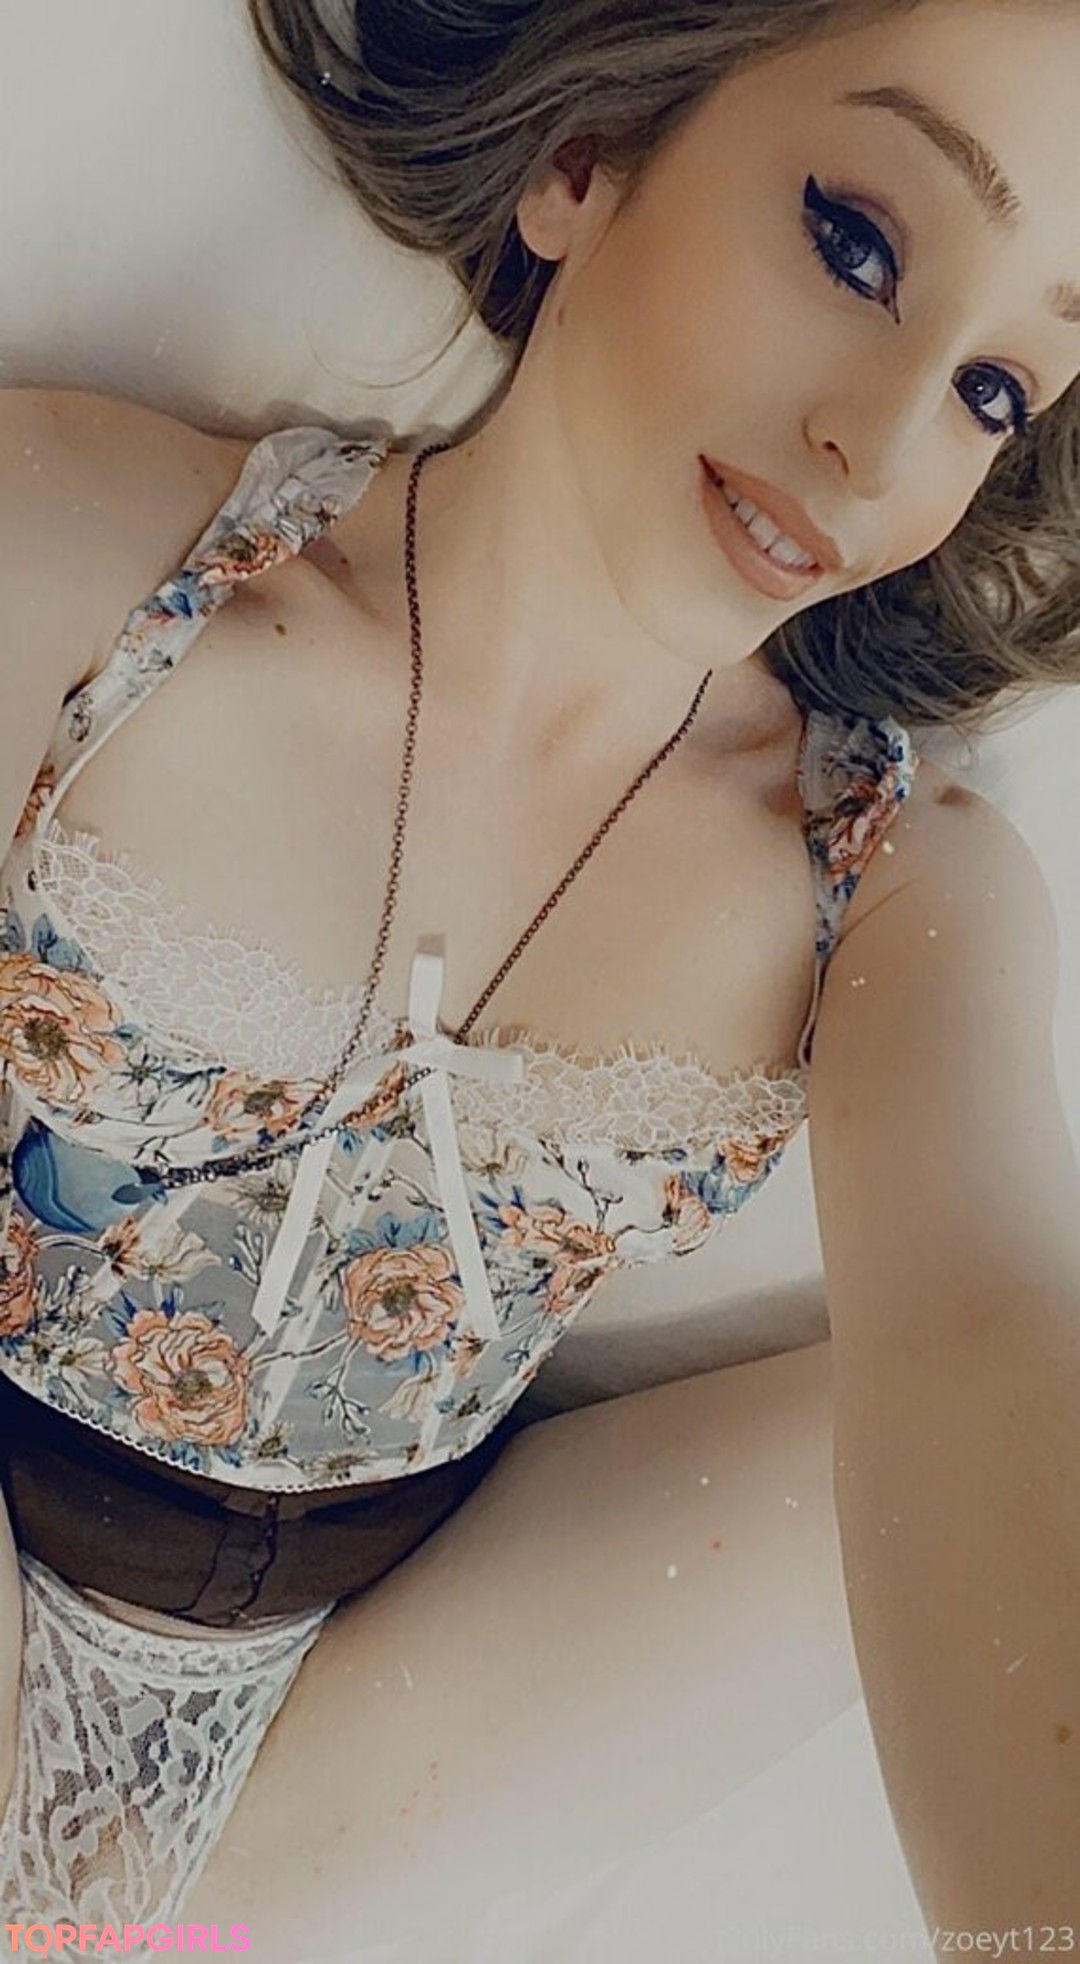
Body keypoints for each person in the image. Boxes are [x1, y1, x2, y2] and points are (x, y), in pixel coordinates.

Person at [1, 0, 1079, 1949]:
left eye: (996, 390)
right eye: (857, 242)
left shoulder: (898, 883)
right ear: (585, 161)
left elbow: (987, 1333)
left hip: (351, 1714)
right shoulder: (82, 565)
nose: (883, 443)